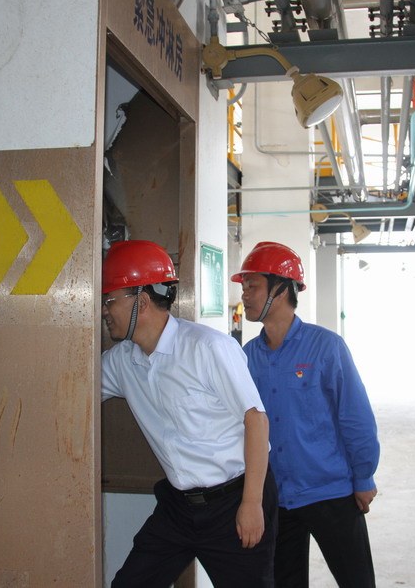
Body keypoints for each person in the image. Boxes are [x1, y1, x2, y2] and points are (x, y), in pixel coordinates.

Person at [100, 240, 278, 588]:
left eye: (110, 301)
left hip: (235, 501)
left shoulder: (208, 348)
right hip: (178, 508)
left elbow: (256, 420)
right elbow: (74, 393)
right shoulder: (122, 361)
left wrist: (252, 503)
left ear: (142, 301)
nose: (105, 311)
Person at [231, 241, 380, 588]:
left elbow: (355, 417)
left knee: (357, 580)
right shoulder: (247, 356)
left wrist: (363, 477)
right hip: (276, 497)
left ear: (281, 289)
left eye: (252, 286)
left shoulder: (326, 347)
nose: (245, 295)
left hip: (330, 493)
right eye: (244, 287)